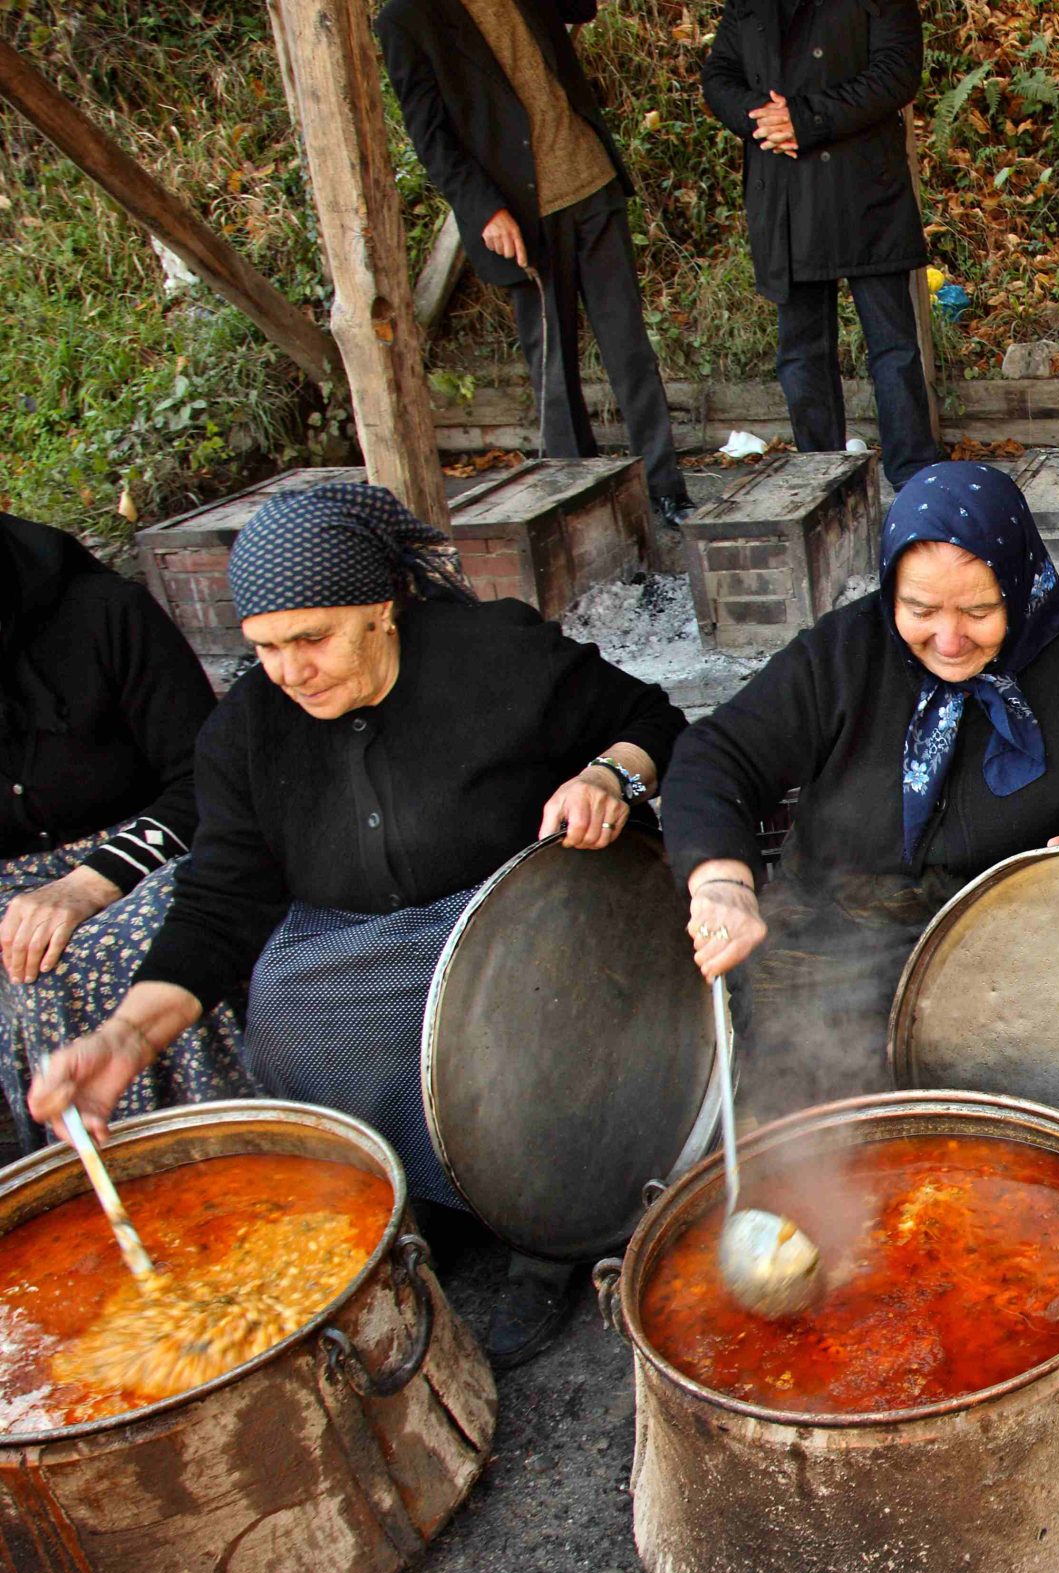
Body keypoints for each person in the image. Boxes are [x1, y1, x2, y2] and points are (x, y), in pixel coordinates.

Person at [28, 484, 687, 1366]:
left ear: (382, 610)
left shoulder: (496, 655)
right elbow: (219, 902)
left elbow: (652, 718)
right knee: (289, 1014)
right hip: (353, 948)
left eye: (313, 638)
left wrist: (607, 776)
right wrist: (124, 1039)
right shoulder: (246, 734)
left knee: (521, 1037)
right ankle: (426, 1202)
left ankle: (551, 1235)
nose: (290, 671)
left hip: (524, 924)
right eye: (265, 647)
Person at [660, 462, 1059, 1121]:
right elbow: (715, 756)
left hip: (1014, 955)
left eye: (979, 611)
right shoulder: (841, 655)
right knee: (809, 1131)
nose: (948, 641)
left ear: (1018, 585)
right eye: (920, 610)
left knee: (1015, 1133)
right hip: (829, 937)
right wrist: (722, 882)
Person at [377, 0, 693, 523]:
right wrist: (484, 211)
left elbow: (581, 8)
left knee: (630, 350)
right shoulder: (407, 18)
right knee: (554, 368)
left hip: (591, 182)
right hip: (520, 212)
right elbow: (429, 134)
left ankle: (665, 491)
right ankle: (582, 505)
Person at [1, 514, 249, 1151]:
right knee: (21, 955)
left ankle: (218, 1155)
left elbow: (206, 779)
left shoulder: (108, 614)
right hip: (10, 887)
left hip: (149, 850)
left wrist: (88, 885)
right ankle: (76, 1184)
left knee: (119, 948)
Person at [702, 0, 941, 489]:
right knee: (801, 351)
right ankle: (821, 482)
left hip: (863, 186)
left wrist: (806, 119)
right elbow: (719, 74)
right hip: (785, 191)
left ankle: (915, 478)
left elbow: (896, 73)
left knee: (893, 346)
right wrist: (761, 120)